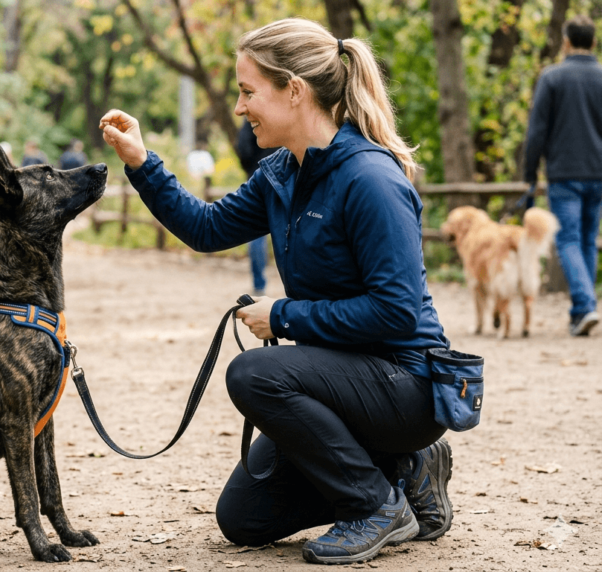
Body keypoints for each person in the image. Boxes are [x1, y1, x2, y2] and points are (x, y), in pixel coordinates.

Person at [100, 18, 454, 565]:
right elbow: (206, 229)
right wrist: (143, 164)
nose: (240, 108)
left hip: (407, 384)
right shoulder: (281, 174)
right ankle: (405, 470)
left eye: (248, 92)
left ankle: (377, 505)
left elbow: (397, 312)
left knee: (253, 374)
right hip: (342, 380)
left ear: (294, 90)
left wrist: (284, 317)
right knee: (244, 518)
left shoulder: (371, 180)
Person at [523, 15, 602, 337]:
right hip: (598, 174)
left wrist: (530, 174)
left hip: (564, 174)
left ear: (566, 42)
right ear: (594, 42)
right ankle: (579, 312)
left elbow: (537, 131)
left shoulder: (552, 77)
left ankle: (584, 306)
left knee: (568, 239)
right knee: (586, 240)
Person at [235, 119, 280, 297]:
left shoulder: (252, 120)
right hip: (285, 176)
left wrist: (252, 168)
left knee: (256, 235)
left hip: (259, 175)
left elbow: (243, 148)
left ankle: (259, 283)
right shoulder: (285, 117)